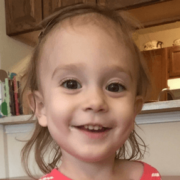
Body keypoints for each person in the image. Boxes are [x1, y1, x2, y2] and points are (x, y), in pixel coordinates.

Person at [20, 3, 162, 180]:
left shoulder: (149, 175)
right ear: (41, 107)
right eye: (71, 84)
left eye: (114, 87)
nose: (95, 102)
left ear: (134, 109)